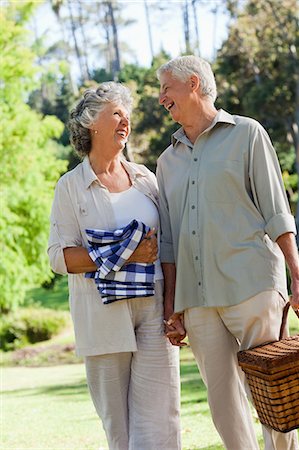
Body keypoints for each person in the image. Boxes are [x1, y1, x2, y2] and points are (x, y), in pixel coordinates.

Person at [156, 55, 299, 450]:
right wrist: (173, 305)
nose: (161, 97)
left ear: (194, 84)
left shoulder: (247, 133)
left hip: (251, 283)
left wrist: (297, 275)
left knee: (274, 393)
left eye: (167, 87)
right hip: (198, 299)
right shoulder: (167, 162)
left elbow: (276, 210)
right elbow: (169, 240)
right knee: (223, 404)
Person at [48, 81, 181, 450]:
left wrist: (174, 305)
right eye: (116, 114)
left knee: (162, 415)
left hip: (154, 306)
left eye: (127, 115)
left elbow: (167, 245)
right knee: (118, 425)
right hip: (101, 313)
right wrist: (128, 253)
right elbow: (60, 257)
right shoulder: (70, 187)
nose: (125, 122)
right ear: (92, 123)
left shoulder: (145, 179)